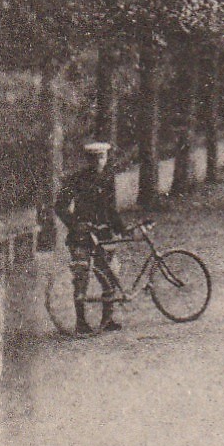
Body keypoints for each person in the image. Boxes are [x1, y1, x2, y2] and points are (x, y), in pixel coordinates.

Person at [54, 141, 127, 334]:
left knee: (110, 275)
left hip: (102, 235)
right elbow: (60, 206)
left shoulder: (108, 178)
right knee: (81, 277)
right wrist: (75, 223)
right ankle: (81, 322)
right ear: (88, 160)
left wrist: (122, 229)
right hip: (82, 236)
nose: (98, 162)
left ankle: (107, 318)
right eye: (94, 158)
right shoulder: (77, 179)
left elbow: (111, 208)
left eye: (102, 157)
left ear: (106, 158)